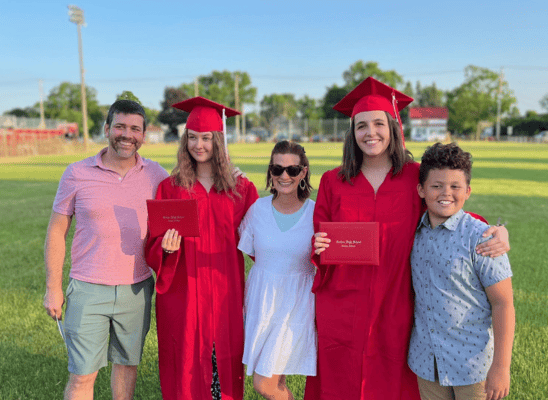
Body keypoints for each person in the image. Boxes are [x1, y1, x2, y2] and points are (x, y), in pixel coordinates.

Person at [307, 77, 510, 400]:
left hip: (397, 299)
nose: (370, 133)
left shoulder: (414, 177)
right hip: (344, 302)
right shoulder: (334, 181)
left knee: (393, 382)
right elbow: (319, 240)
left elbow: (448, 210)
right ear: (352, 132)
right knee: (342, 381)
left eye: (378, 123)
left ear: (393, 126)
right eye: (361, 126)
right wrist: (319, 247)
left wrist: (496, 230)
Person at [43, 100, 169, 399]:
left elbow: (190, 201)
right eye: (120, 127)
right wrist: (53, 288)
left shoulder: (157, 175)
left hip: (136, 290)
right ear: (107, 129)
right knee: (82, 376)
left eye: (135, 129)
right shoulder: (76, 173)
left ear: (144, 135)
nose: (127, 135)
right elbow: (56, 231)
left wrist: (229, 174)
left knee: (126, 368)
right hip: (87, 289)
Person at [144, 97, 259, 400]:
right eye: (192, 138)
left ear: (218, 141)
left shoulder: (241, 189)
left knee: (224, 358)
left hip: (225, 290)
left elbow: (261, 242)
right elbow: (153, 243)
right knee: (186, 362)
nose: (198, 145)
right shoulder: (170, 188)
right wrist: (166, 249)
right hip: (185, 291)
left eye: (206, 138)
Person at [408, 143, 514, 400]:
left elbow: (503, 303)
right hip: (426, 364)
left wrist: (501, 367)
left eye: (455, 186)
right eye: (436, 186)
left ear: (467, 191)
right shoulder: (413, 234)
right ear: (421, 190)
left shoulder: (482, 237)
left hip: (473, 368)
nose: (446, 193)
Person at [238, 140, 317, 400]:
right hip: (262, 303)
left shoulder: (315, 214)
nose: (285, 176)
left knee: (265, 384)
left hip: (296, 307)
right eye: (277, 169)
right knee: (274, 382)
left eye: (293, 170)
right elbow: (250, 251)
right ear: (270, 172)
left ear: (303, 172)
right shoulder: (257, 210)